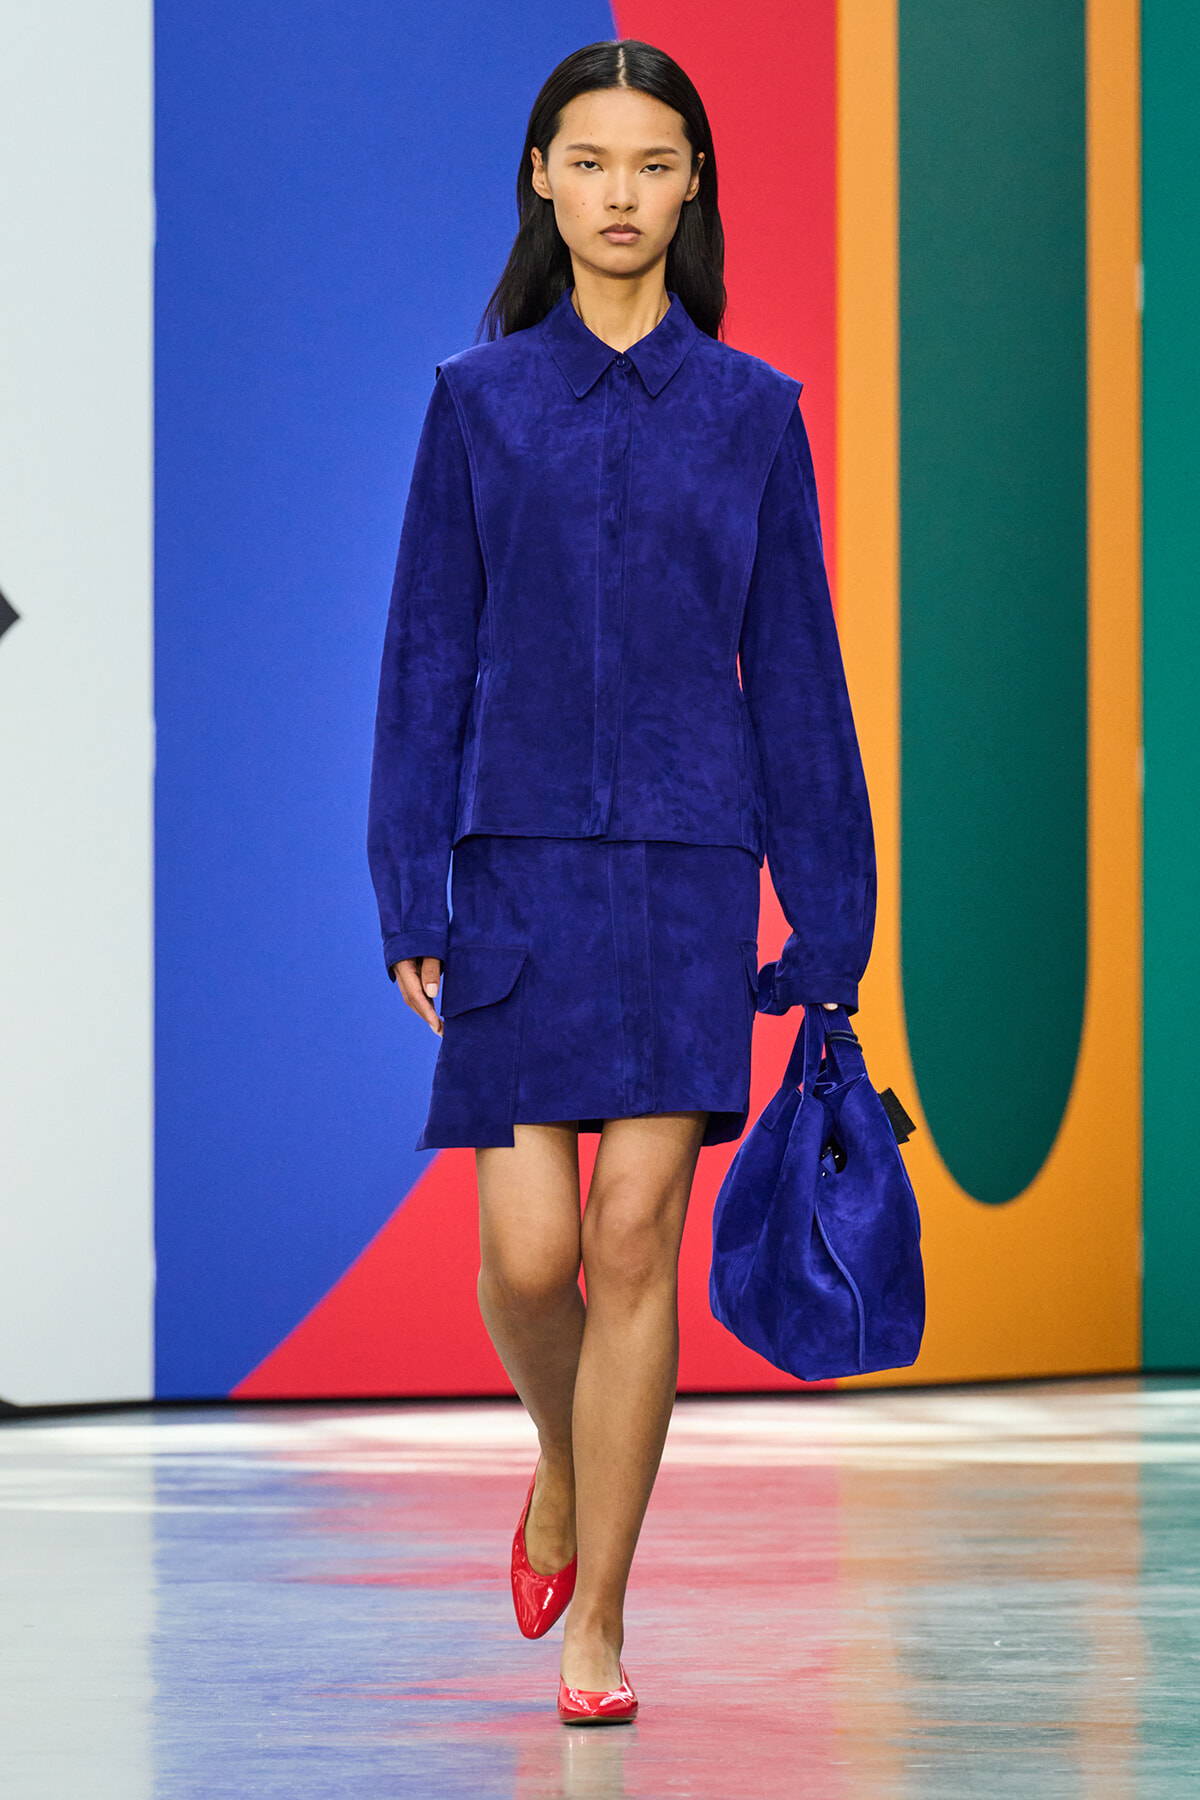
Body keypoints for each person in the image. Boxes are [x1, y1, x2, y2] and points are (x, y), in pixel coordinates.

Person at [367, 38, 875, 1725]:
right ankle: (562, 1473)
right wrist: (406, 887)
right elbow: (426, 656)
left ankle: (603, 1624)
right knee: (527, 1259)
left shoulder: (752, 416)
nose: (621, 197)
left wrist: (834, 910)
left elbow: (794, 671)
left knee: (633, 1235)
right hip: (514, 870)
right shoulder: (477, 401)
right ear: (540, 178)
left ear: (694, 187)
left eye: (654, 165)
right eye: (589, 162)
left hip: (684, 875)